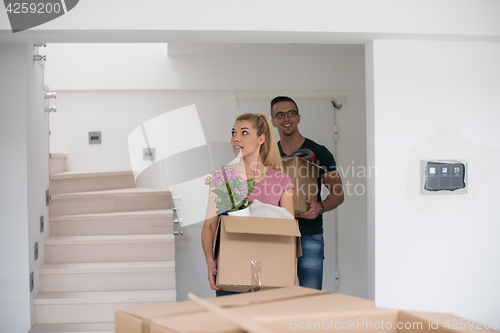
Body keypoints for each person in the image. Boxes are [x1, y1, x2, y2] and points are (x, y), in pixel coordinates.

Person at [201, 113, 295, 296]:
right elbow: (209, 225)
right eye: (233, 133)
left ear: (261, 139)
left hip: (271, 270)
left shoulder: (282, 181)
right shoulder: (222, 178)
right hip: (231, 270)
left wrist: (290, 273)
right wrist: (210, 261)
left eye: (244, 133)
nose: (236, 138)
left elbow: (290, 234)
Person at [270, 96, 344, 290]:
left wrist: (321, 207)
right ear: (273, 121)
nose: (286, 118)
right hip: (276, 234)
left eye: (291, 113)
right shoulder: (268, 156)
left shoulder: (319, 153)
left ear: (299, 117)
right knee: (277, 294)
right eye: (280, 114)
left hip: (309, 234)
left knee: (310, 296)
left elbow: (338, 193)